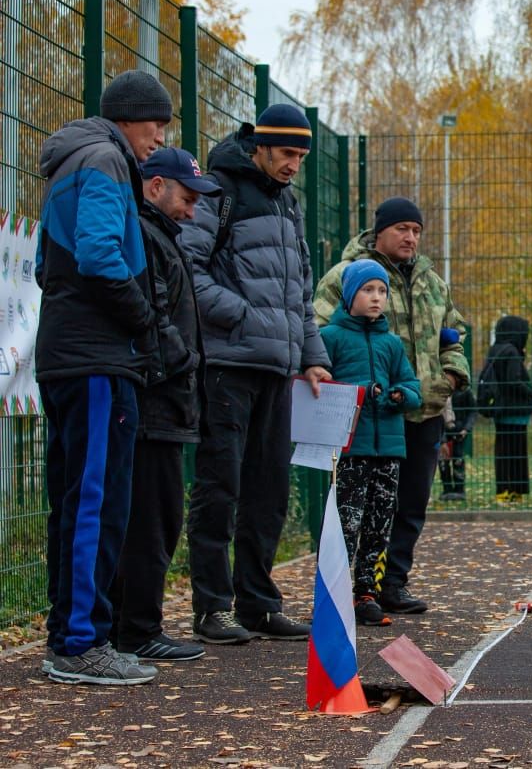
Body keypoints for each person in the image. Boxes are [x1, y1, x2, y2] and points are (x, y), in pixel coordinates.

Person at [35, 69, 174, 685]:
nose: (159, 138)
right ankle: (82, 642)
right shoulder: (105, 159)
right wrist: (141, 319)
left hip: (67, 354)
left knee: (71, 499)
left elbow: (45, 265)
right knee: (96, 499)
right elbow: (97, 253)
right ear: (130, 117)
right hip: (97, 359)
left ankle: (67, 632)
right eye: (156, 124)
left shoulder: (68, 160)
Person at [181, 103, 332, 644]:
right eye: (287, 153)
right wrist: (244, 317)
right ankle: (211, 607)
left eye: (301, 155)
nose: (295, 164)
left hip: (279, 368)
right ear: (260, 146)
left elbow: (301, 295)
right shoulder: (218, 191)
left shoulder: (287, 204)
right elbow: (187, 271)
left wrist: (313, 355)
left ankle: (258, 604)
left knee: (269, 490)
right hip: (227, 365)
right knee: (221, 486)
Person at [313, 196, 469, 615]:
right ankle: (346, 586)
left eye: (416, 231)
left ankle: (390, 584)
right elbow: (318, 331)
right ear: (379, 231)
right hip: (365, 418)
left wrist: (450, 377)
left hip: (425, 408)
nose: (411, 237)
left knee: (409, 502)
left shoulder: (432, 281)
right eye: (403, 228)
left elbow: (454, 331)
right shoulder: (346, 275)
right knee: (355, 505)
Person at [109, 148, 220, 663]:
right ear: (155, 187)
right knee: (152, 520)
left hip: (168, 400)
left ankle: (133, 624)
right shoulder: (147, 237)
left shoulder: (163, 237)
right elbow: (152, 313)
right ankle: (137, 627)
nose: (192, 210)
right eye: (187, 197)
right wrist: (181, 362)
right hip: (156, 401)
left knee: (155, 517)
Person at [319, 260, 422, 627]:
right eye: (367, 290)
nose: (376, 298)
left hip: (389, 450)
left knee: (380, 523)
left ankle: (367, 593)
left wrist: (398, 396)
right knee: (347, 522)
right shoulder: (331, 338)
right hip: (351, 449)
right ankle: (335, 592)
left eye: (381, 291)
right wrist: (361, 393)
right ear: (350, 296)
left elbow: (413, 389)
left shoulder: (391, 343)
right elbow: (322, 389)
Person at [480, 315, 532, 501]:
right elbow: (514, 380)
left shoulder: (495, 349)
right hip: (515, 411)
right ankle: (516, 490)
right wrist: (530, 391)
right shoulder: (512, 352)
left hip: (500, 411)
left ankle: (502, 490)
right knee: (517, 453)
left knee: (502, 452)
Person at [438, 383, 477, 502]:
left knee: (458, 458)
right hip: (442, 430)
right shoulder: (439, 391)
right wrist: (442, 439)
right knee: (443, 460)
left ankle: (459, 489)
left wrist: (466, 428)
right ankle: (447, 489)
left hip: (460, 431)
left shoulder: (465, 391)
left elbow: (473, 411)